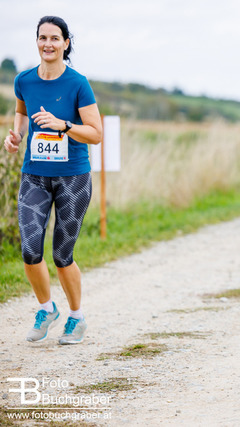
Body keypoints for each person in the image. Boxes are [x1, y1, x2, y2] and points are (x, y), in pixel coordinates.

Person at [3, 16, 102, 345]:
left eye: (55, 38)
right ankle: (47, 309)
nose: (48, 43)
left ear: (65, 43)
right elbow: (21, 112)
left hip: (73, 177)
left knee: (62, 255)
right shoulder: (24, 80)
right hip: (34, 175)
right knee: (30, 249)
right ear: (37, 42)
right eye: (42, 38)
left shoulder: (78, 83)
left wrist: (64, 125)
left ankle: (77, 317)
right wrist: (16, 136)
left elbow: (96, 134)